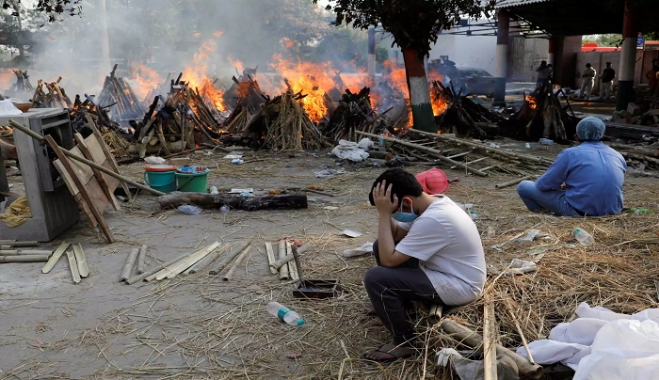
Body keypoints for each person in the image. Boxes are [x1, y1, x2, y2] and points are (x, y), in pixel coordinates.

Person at [362, 168, 486, 362]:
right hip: (444, 272)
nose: (394, 216)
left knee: (376, 279)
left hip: (461, 285)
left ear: (407, 202)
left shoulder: (434, 218)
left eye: (395, 212)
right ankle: (400, 305)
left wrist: (384, 215)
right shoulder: (432, 204)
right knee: (382, 245)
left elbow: (388, 260)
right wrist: (386, 211)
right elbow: (395, 236)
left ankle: (405, 342)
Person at [517, 117, 626, 217]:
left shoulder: (570, 154)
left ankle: (546, 219)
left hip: (581, 211)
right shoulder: (617, 154)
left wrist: (557, 186)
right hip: (612, 212)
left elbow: (543, 185)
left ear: (576, 137)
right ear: (602, 135)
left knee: (524, 186)